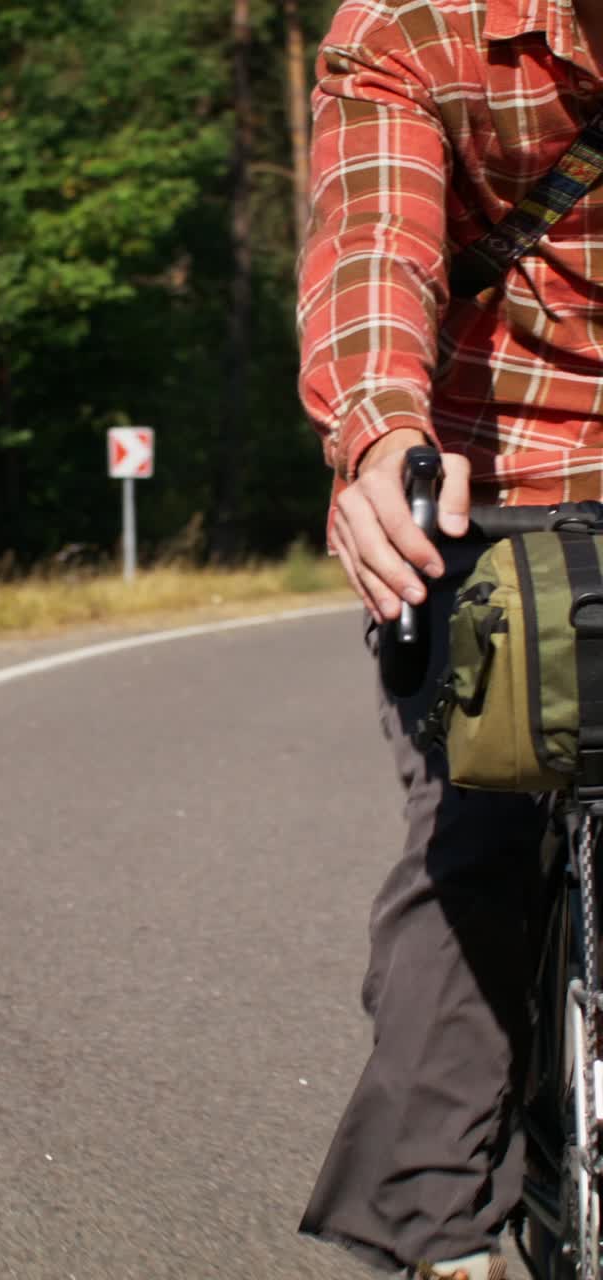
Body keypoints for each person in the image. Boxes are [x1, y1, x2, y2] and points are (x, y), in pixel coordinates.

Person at [297, 1, 603, 1278]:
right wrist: (378, 435)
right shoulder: (418, 26)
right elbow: (375, 244)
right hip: (477, 477)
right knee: (479, 825)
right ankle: (441, 1234)